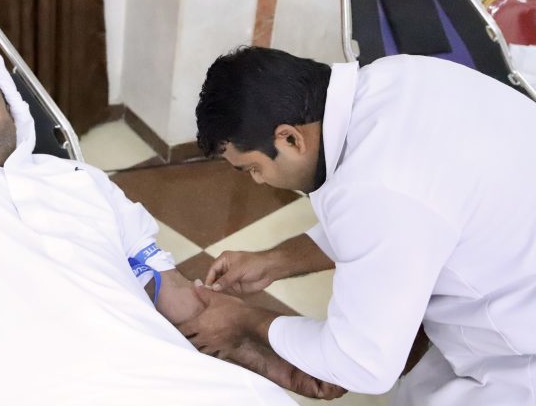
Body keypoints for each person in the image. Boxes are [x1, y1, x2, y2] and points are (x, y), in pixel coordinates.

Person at [0, 42, 343, 405]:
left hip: (156, 379)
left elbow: (173, 295)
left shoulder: (81, 181)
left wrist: (262, 352)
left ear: (13, 109)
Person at [184, 46, 536, 405]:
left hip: (518, 363)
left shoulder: (378, 188)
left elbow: (362, 364)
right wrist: (275, 260)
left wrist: (244, 321)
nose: (258, 181)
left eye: (253, 168)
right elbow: (401, 217)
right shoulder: (397, 74)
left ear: (290, 138)